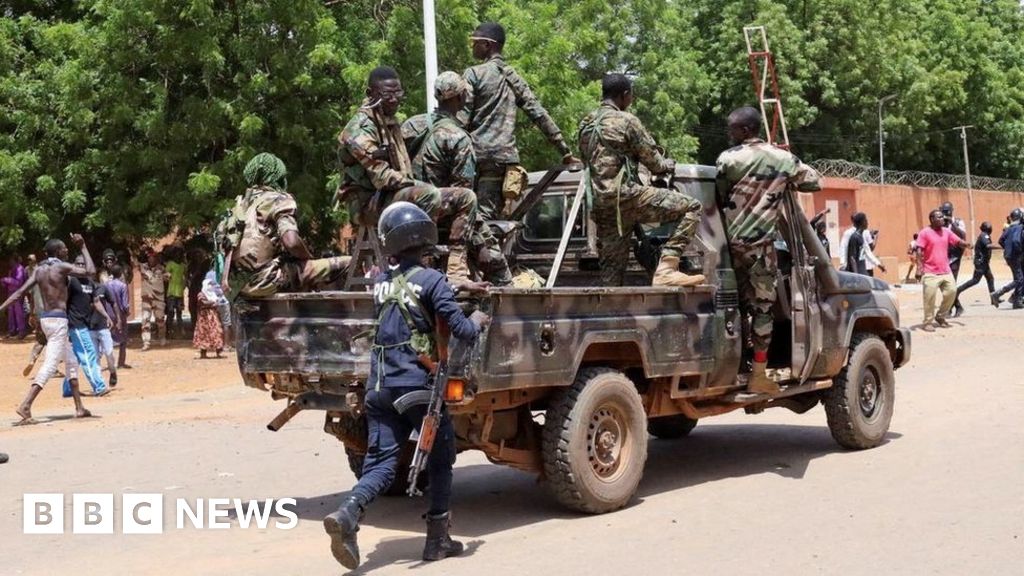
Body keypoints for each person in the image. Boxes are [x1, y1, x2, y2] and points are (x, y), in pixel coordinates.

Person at [323, 202, 489, 569]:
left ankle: (348, 514)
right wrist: (477, 317)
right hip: (416, 388)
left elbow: (412, 286)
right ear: (424, 237)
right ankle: (437, 540)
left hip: (379, 387)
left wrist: (456, 285)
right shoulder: (432, 281)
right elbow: (461, 330)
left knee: (382, 463)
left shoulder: (381, 282)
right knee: (442, 457)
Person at [716, 106, 821, 394]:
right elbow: (814, 181)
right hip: (761, 248)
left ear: (746, 130)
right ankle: (759, 373)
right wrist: (782, 180)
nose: (730, 134)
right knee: (763, 309)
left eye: (733, 129)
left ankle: (736, 365)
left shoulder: (727, 159)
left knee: (733, 308)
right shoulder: (781, 158)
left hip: (727, 247)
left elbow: (720, 191)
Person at [337, 67, 476, 280]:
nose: (394, 100)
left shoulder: (389, 121)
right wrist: (415, 184)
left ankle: (456, 270)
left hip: (390, 197)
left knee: (466, 197)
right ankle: (421, 267)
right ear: (370, 94)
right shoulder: (359, 129)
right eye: (387, 95)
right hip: (369, 203)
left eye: (398, 93)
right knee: (429, 194)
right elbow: (383, 178)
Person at [578, 73, 704, 287]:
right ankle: (667, 268)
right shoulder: (627, 121)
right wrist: (668, 165)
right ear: (624, 95)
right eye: (631, 96)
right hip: (628, 197)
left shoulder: (586, 124)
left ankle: (610, 314)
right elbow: (654, 163)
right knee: (692, 207)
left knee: (612, 272)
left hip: (602, 205)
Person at [402, 71, 513, 285]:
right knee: (493, 258)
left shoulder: (411, 125)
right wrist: (481, 245)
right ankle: (503, 294)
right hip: (441, 215)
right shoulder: (459, 138)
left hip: (407, 207)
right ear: (460, 98)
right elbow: (463, 194)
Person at [462, 21, 580, 220]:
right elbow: (539, 114)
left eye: (475, 42)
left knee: (474, 217)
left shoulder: (474, 74)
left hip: (475, 157)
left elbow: (461, 119)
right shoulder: (513, 77)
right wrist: (565, 151)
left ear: (487, 44)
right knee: (492, 216)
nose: (472, 46)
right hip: (503, 160)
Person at [221, 153, 350, 299]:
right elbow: (292, 242)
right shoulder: (277, 199)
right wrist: (308, 258)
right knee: (349, 263)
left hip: (237, 288)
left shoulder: (240, 206)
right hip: (267, 281)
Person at [0, 235, 94, 425]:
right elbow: (90, 271)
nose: (67, 251)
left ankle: (79, 407)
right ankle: (26, 405)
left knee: (71, 360)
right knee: (51, 365)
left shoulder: (39, 270)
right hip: (59, 321)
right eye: (65, 249)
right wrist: (83, 247)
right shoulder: (62, 267)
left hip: (47, 320)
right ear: (58, 251)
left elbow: (19, 293)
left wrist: (1, 308)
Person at [915, 208, 971, 330]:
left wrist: (966, 244)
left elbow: (957, 241)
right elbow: (919, 251)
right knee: (929, 297)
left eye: (942, 217)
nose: (942, 219)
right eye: (939, 217)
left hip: (945, 270)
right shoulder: (924, 233)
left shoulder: (946, 231)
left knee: (951, 292)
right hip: (930, 271)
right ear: (932, 219)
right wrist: (919, 269)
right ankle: (928, 322)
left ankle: (940, 316)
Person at [67, 254, 109, 396]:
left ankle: (68, 389)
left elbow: (96, 301)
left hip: (84, 324)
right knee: (89, 353)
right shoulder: (71, 281)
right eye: (78, 264)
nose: (80, 267)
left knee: (76, 358)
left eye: (83, 264)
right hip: (75, 324)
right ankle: (99, 386)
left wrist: (106, 315)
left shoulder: (90, 282)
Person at [953, 222, 995, 309]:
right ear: (987, 229)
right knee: (975, 280)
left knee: (990, 279)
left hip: (984, 262)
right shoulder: (984, 236)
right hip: (981, 262)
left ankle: (994, 298)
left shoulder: (984, 235)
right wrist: (1001, 247)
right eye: (990, 227)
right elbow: (988, 246)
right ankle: (958, 290)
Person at [991, 208, 1023, 309]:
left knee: (1019, 278)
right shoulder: (1020, 227)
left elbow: (1001, 240)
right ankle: (998, 293)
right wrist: (1018, 250)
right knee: (1019, 279)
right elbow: (1017, 241)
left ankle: (1016, 300)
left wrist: (1008, 249)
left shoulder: (1009, 228)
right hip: (1016, 256)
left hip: (1008, 256)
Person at [941, 202, 968, 316]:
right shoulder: (940, 222)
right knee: (944, 283)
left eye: (947, 211)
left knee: (951, 282)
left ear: (952, 211)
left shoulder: (958, 222)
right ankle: (957, 306)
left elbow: (962, 235)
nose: (945, 214)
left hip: (955, 256)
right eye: (944, 211)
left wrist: (952, 223)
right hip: (944, 255)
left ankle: (949, 309)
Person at [139, 249, 168, 351]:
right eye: (149, 258)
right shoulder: (143, 267)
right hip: (146, 298)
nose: (151, 259)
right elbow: (134, 259)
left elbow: (168, 277)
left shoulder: (161, 269)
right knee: (145, 320)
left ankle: (162, 338)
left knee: (160, 319)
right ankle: (146, 342)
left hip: (158, 298)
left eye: (153, 258)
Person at [104, 264, 131, 369]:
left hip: (109, 314)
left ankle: (110, 363)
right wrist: (127, 312)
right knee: (123, 339)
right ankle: (121, 362)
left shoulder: (106, 285)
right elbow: (125, 304)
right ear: (120, 274)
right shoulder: (123, 286)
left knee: (108, 338)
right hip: (120, 315)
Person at [193, 271, 224, 359]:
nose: (210, 286)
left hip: (213, 317)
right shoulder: (201, 294)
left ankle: (218, 352)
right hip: (204, 318)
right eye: (209, 285)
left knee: (217, 332)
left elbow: (217, 303)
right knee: (203, 333)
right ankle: (203, 353)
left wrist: (214, 303)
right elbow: (203, 302)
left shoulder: (213, 294)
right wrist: (212, 303)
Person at [2, 255, 29, 338]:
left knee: (19, 313)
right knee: (11, 313)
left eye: (11, 260)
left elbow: (18, 282)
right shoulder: (12, 269)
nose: (10, 262)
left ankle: (21, 331)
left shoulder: (20, 269)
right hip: (10, 293)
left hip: (17, 293)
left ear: (15, 261)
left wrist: (5, 279)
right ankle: (12, 331)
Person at [164, 248, 186, 338]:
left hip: (180, 293)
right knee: (170, 312)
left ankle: (180, 331)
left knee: (179, 312)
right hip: (171, 292)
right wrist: (167, 276)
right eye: (176, 254)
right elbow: (166, 277)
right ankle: (169, 330)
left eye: (179, 254)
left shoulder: (183, 266)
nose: (178, 256)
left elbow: (185, 276)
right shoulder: (170, 264)